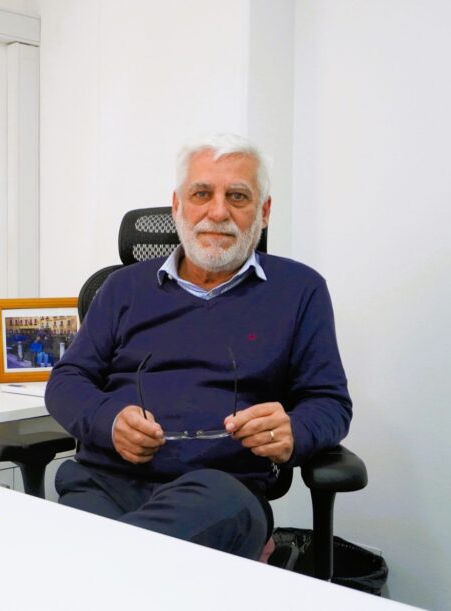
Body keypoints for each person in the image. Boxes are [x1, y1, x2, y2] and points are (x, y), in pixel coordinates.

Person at [45, 133, 352, 560]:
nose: (218, 212)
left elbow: (330, 403)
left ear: (264, 212)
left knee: (78, 559)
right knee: (110, 558)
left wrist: (295, 431)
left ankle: (94, 566)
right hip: (107, 482)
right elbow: (66, 381)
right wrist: (108, 421)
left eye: (238, 196)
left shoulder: (300, 290)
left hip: (221, 492)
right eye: (202, 194)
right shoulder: (122, 288)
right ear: (177, 206)